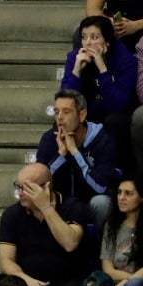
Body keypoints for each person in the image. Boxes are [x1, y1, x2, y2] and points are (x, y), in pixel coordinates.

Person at [38, 90, 120, 226]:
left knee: (102, 203)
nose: (59, 117)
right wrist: (61, 155)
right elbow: (39, 184)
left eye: (66, 112)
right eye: (56, 111)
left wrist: (75, 152)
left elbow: (100, 188)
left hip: (90, 204)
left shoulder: (103, 140)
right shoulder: (49, 139)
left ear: (82, 115)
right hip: (60, 204)